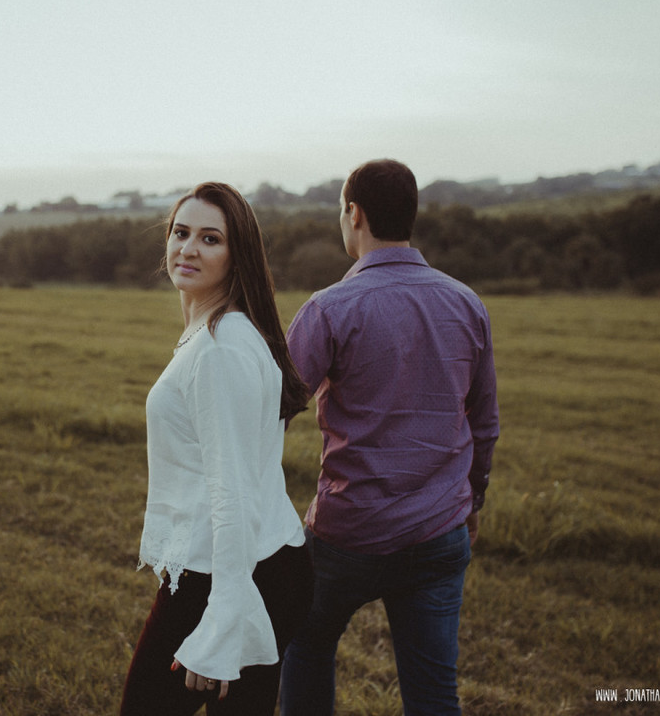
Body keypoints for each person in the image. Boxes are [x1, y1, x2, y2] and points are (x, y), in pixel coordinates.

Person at [279, 159, 499, 716]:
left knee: (304, 641)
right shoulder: (466, 302)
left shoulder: (329, 307)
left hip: (347, 532)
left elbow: (273, 408)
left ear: (354, 214)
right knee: (433, 694)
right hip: (441, 530)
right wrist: (472, 498)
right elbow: (484, 420)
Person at [121, 182, 314, 716]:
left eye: (210, 239)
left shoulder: (218, 349)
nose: (188, 249)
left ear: (236, 255)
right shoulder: (222, 330)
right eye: (181, 233)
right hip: (262, 564)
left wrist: (221, 626)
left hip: (233, 572)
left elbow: (230, 493)